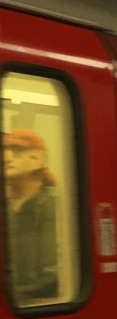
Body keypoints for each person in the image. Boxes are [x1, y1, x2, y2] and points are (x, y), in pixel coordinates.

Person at [4, 129, 60, 304]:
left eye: (17, 151)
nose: (7, 157)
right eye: (4, 150)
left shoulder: (52, 206)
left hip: (39, 307)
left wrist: (12, 296)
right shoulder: (6, 206)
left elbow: (52, 274)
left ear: (37, 159)